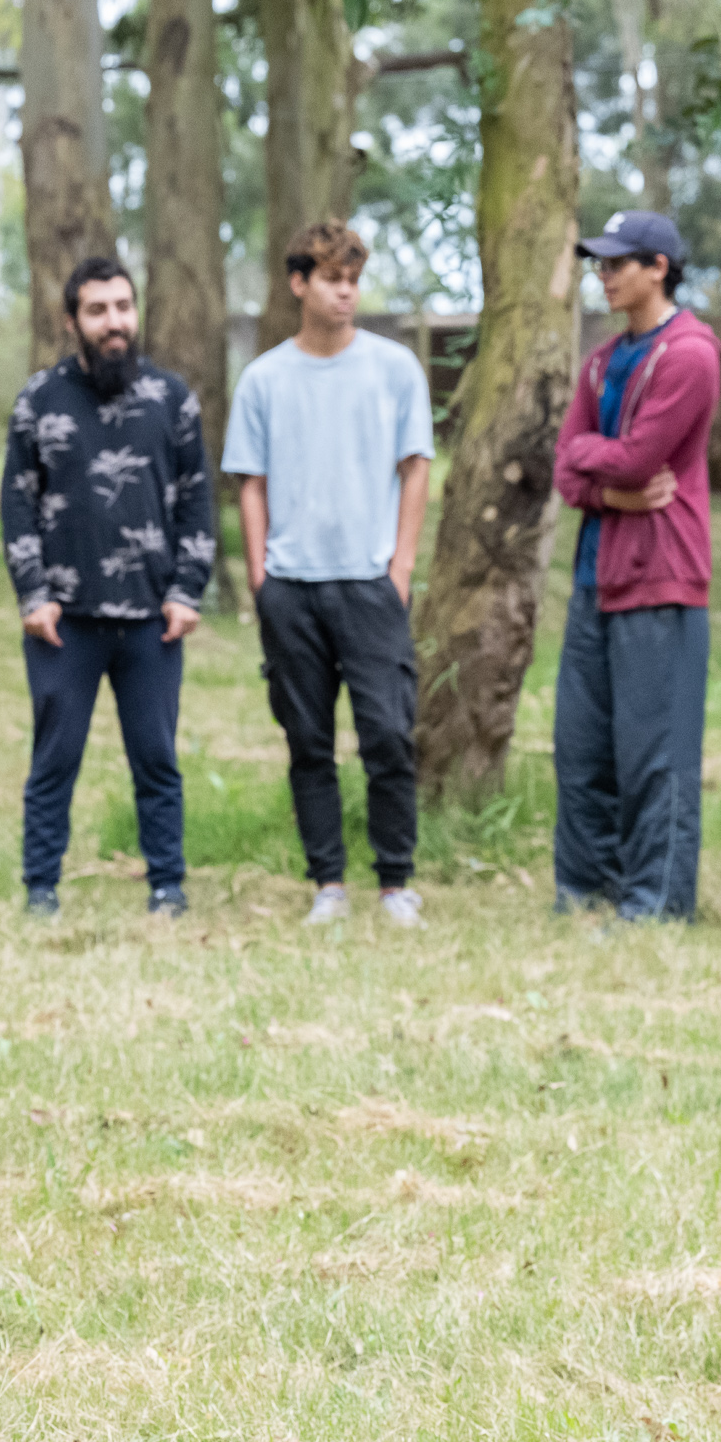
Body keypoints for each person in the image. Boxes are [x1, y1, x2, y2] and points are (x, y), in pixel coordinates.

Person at [222, 219, 434, 927]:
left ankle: (396, 882)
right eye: (332, 280)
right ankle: (328, 886)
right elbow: (249, 481)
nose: (346, 293)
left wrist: (400, 565)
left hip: (371, 584)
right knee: (307, 740)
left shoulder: (395, 368)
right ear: (299, 284)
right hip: (292, 586)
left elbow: (416, 467)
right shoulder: (265, 378)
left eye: (353, 280)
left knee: (386, 734)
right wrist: (260, 577)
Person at [1, 254, 213, 917]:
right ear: (73, 321)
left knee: (156, 758)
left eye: (123, 306)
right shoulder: (39, 400)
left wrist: (187, 590)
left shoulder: (173, 400)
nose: (114, 322)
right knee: (55, 759)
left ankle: (167, 887)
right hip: (64, 621)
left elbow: (197, 502)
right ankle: (40, 888)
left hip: (153, 619)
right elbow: (17, 503)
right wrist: (34, 596)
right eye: (98, 310)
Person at [550, 211, 721, 923]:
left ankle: (655, 904)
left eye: (619, 263)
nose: (604, 274)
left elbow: (637, 457)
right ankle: (587, 890)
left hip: (661, 578)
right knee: (581, 746)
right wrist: (608, 487)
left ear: (660, 268)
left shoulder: (689, 354)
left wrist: (599, 463)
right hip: (596, 578)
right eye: (599, 262)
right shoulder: (600, 361)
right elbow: (568, 471)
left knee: (656, 753)